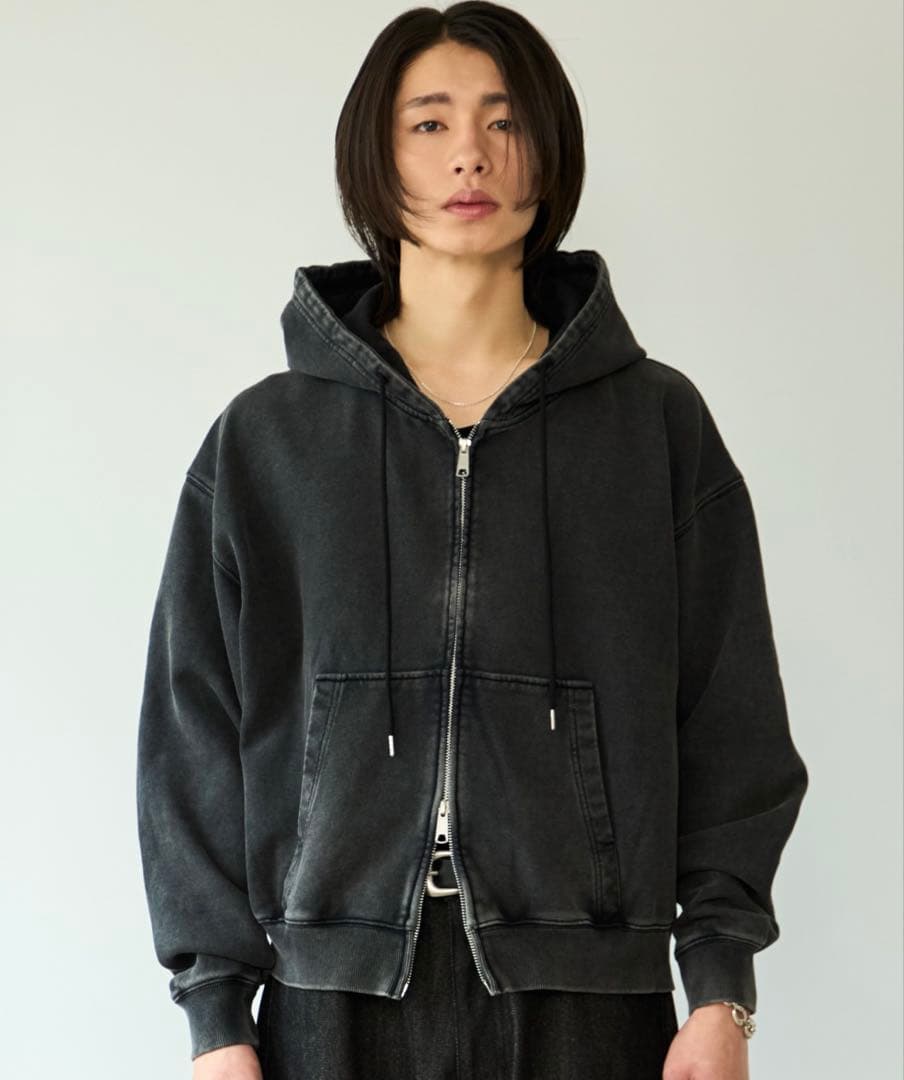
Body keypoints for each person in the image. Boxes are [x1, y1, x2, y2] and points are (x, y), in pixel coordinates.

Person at [135, 4, 809, 1078]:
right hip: (331, 1004)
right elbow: (193, 734)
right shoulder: (267, 441)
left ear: (550, 150)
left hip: (588, 999)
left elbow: (732, 721)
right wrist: (215, 1018)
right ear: (375, 155)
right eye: (429, 123)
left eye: (505, 121)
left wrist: (721, 986)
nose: (470, 156)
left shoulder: (654, 427)